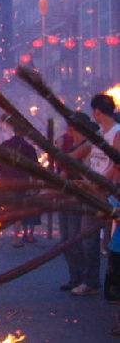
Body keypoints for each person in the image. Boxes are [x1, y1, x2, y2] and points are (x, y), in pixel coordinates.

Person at [72, 94, 120, 297]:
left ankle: (112, 284)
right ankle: (91, 281)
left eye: (94, 111)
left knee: (111, 243)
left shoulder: (117, 133)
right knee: (88, 238)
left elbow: (117, 165)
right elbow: (85, 150)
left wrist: (102, 184)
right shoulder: (101, 132)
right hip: (93, 192)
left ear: (98, 112)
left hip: (108, 194)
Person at [56, 112, 98, 291]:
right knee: (66, 239)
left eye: (71, 127)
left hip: (79, 198)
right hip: (65, 196)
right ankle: (75, 277)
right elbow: (62, 168)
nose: (68, 130)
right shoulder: (65, 142)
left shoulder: (88, 145)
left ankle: (87, 280)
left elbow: (69, 166)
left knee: (78, 240)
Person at [0, 122, 39, 247]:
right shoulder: (29, 148)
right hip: (20, 182)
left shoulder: (5, 144)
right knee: (17, 210)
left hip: (4, 181)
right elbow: (35, 168)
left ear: (14, 131)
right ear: (25, 133)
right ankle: (15, 240)